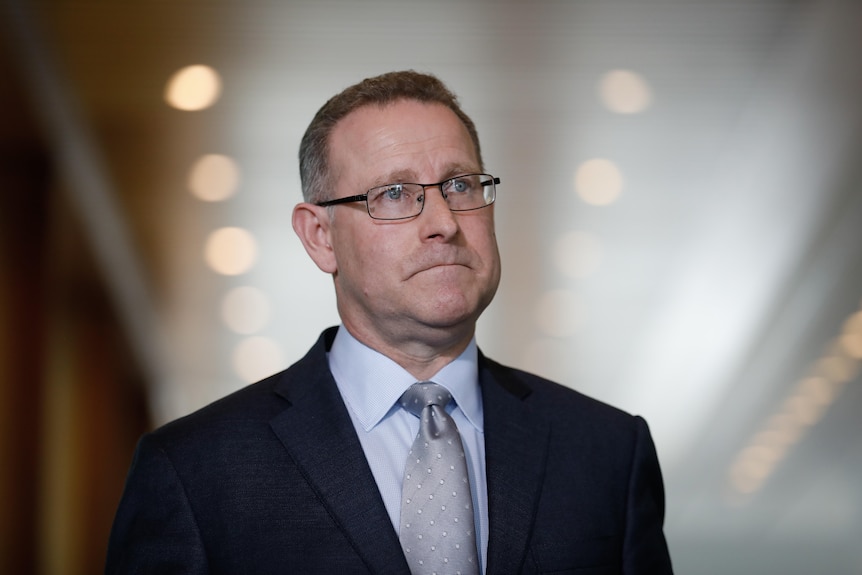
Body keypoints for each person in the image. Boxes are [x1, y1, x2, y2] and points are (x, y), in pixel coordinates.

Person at [106, 70, 673, 574]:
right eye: (396, 194)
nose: (444, 222)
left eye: (460, 185)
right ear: (320, 236)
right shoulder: (195, 471)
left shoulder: (606, 453)